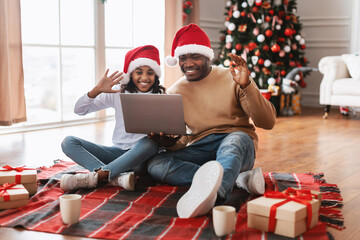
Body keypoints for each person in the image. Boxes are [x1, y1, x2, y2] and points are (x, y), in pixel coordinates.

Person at [146, 24, 277, 218]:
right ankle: (237, 179)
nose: (188, 64)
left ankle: (217, 195)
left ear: (208, 56)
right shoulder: (175, 92)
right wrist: (168, 142)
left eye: (195, 57)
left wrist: (247, 86)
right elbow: (182, 140)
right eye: (183, 58)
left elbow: (268, 122)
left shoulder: (234, 77)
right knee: (155, 164)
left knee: (234, 142)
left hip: (237, 142)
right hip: (201, 147)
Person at [60, 45, 165, 192]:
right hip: (116, 155)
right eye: (139, 72)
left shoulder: (162, 98)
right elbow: (79, 110)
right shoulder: (117, 93)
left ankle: (100, 175)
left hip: (140, 159)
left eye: (150, 73)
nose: (145, 78)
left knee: (149, 144)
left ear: (156, 76)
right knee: (68, 142)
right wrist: (96, 90)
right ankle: (114, 177)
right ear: (130, 74)